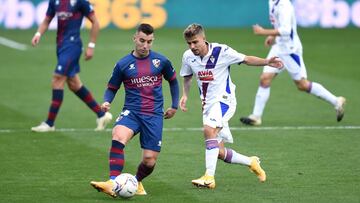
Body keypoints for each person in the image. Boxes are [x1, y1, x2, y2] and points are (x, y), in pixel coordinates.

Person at [179, 23, 283, 189]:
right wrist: (185, 95)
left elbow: (246, 59)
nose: (192, 46)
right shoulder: (188, 56)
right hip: (207, 105)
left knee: (208, 130)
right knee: (219, 152)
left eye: (195, 42)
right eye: (189, 43)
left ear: (203, 39)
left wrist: (267, 62)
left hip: (224, 100)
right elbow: (187, 76)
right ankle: (252, 162)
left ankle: (209, 177)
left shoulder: (222, 51)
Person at [90, 23, 179, 197]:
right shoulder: (123, 64)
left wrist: (174, 105)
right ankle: (112, 182)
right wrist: (107, 101)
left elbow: (174, 81)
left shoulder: (161, 61)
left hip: (154, 115)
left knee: (149, 160)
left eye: (149, 41)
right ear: (134, 38)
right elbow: (112, 87)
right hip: (132, 112)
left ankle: (136, 181)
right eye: (142, 40)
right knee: (118, 135)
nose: (145, 45)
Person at [240, 0, 346, 126]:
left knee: (302, 84)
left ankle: (336, 101)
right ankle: (256, 117)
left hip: (290, 50)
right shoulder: (273, 1)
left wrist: (263, 32)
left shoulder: (284, 5)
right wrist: (272, 36)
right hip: (279, 47)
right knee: (265, 78)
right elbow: (279, 24)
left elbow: (286, 30)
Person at [30, 0, 112, 132]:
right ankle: (101, 115)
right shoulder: (55, 1)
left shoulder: (80, 2)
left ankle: (49, 123)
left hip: (73, 46)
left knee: (57, 79)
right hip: (61, 46)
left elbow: (95, 22)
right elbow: (47, 20)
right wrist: (38, 34)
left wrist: (91, 45)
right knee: (74, 84)